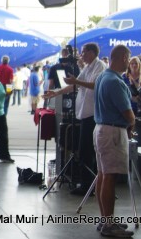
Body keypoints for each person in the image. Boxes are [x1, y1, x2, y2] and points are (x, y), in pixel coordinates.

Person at [44, 42, 105, 196]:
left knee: (88, 151)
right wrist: (56, 93)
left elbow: (96, 85)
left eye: (84, 52)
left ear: (91, 53)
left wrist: (76, 82)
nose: (81, 55)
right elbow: (74, 85)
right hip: (84, 114)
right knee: (83, 150)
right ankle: (85, 183)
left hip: (93, 115)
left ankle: (88, 185)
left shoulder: (99, 66)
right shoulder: (87, 67)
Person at [93, 44, 135, 237]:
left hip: (101, 129)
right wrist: (132, 123)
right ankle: (109, 225)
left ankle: (105, 220)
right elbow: (127, 113)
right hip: (113, 132)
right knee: (109, 177)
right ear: (124, 58)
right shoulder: (116, 82)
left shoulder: (103, 77)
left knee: (103, 175)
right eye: (128, 58)